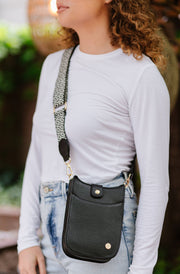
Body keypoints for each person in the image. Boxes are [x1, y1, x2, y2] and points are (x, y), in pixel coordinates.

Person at [17, 0, 170, 273]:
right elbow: (38, 154)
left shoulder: (140, 75)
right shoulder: (53, 66)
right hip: (47, 245)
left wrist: (142, 269)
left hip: (103, 239)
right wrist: (26, 240)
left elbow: (156, 184)